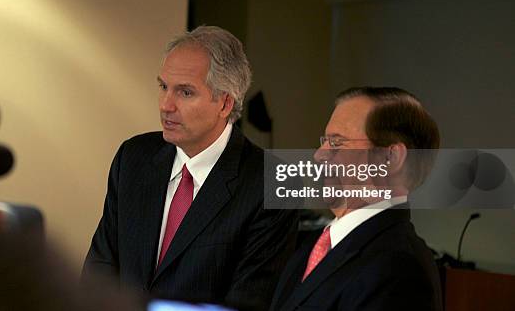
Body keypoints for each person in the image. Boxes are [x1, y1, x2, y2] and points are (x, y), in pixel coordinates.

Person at [82, 26, 298, 310]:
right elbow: (99, 272)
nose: (165, 105)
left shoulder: (274, 182)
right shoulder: (133, 157)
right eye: (163, 87)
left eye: (185, 92)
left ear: (224, 103)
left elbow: (248, 303)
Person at [270, 87, 442, 311]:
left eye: (337, 143)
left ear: (391, 158)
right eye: (324, 141)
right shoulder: (311, 245)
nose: (318, 155)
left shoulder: (399, 267)